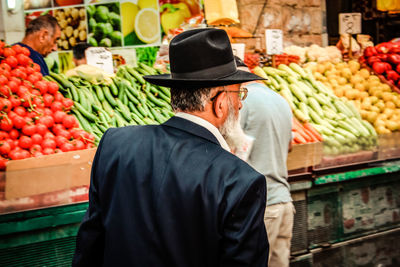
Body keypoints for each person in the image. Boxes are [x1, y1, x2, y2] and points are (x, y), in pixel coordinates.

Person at [72, 28, 269, 266]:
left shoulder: (115, 144)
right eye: (239, 95)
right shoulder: (239, 180)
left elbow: (90, 244)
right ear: (219, 103)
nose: (239, 105)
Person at [235, 56, 295, 267]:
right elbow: (290, 146)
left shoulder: (241, 102)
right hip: (284, 201)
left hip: (262, 207)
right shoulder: (280, 100)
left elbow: (232, 151)